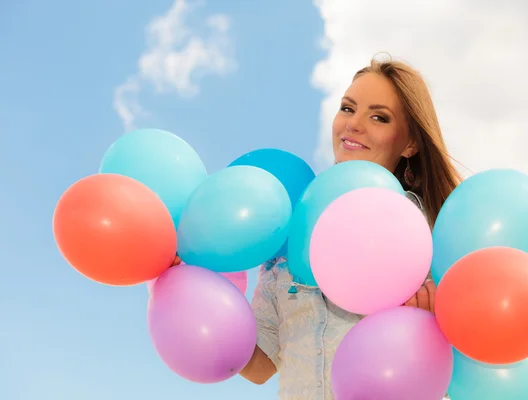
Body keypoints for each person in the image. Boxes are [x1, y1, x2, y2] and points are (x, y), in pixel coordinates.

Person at [179, 56, 461, 399]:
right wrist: (192, 285)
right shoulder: (291, 231)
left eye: (378, 117)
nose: (353, 125)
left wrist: (427, 328)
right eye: (347, 108)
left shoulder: (429, 238)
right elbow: (258, 366)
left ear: (410, 144)